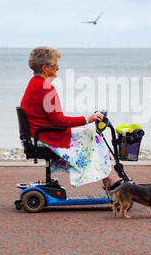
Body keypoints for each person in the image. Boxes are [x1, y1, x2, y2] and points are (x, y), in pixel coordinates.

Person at [20, 46, 122, 188]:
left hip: (38, 134)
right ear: (45, 68)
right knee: (94, 137)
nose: (58, 68)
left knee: (87, 134)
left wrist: (81, 123)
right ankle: (110, 180)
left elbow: (54, 119)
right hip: (45, 137)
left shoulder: (35, 83)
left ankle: (108, 179)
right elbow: (59, 121)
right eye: (55, 65)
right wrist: (88, 119)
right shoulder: (45, 88)